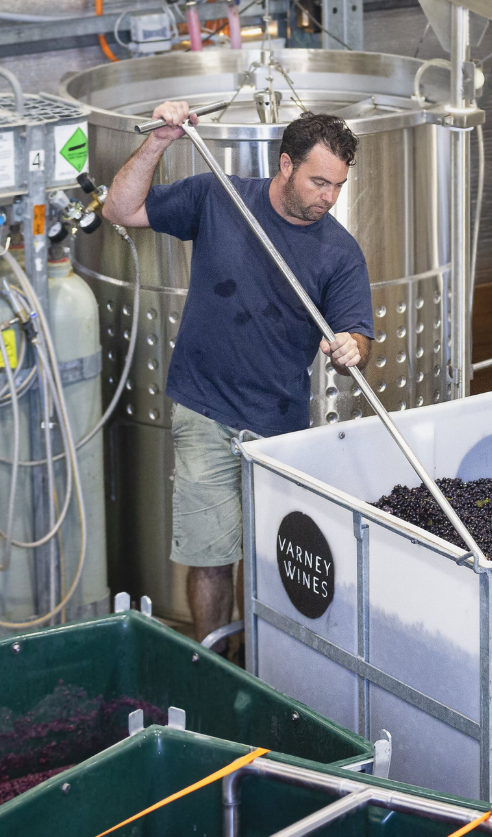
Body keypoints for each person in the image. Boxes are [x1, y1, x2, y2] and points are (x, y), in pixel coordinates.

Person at [103, 102, 373, 645]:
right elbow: (120, 209)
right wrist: (159, 141)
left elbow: (359, 339)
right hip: (203, 408)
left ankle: (262, 667)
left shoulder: (339, 252)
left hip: (278, 422)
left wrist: (350, 347)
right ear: (285, 165)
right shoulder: (218, 198)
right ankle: (212, 667)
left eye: (338, 186)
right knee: (209, 556)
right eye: (319, 181)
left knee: (270, 558)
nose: (329, 198)